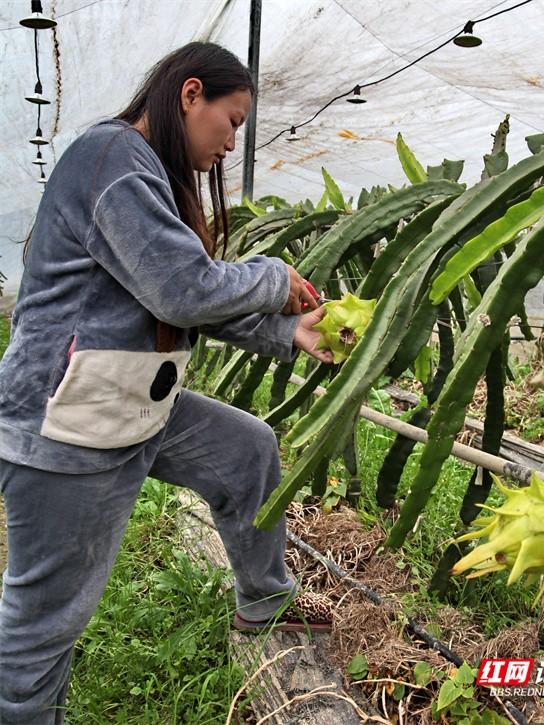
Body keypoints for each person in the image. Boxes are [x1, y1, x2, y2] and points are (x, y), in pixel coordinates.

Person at [0, 41, 336, 724]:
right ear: (190, 95)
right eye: (232, 119)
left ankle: (263, 602)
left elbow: (177, 299)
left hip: (129, 401)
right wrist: (274, 276)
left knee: (247, 451)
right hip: (66, 424)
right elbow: (183, 289)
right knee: (45, 625)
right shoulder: (114, 160)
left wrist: (287, 332)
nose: (233, 139)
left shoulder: (144, 173)